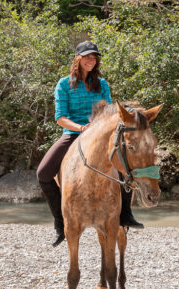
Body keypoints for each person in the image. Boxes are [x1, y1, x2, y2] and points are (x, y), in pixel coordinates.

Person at [37, 41, 143, 247]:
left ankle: (126, 215)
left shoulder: (102, 84)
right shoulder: (63, 84)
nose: (91, 60)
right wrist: (80, 128)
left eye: (94, 57)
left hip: (100, 136)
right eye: (87, 57)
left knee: (124, 168)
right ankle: (60, 222)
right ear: (78, 59)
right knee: (43, 173)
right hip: (72, 134)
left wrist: (95, 128)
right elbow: (60, 117)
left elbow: (109, 112)